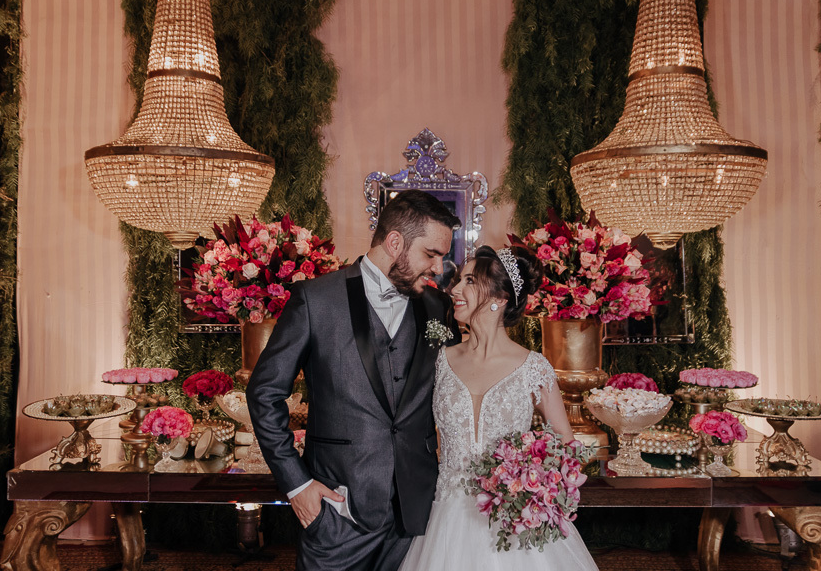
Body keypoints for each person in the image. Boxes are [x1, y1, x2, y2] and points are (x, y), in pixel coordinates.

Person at [247, 190, 461, 571]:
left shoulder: (437, 308)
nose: (439, 267)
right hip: (336, 513)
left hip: (418, 516)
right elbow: (265, 392)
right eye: (431, 254)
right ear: (395, 242)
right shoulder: (316, 299)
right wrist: (298, 485)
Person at [399, 245, 599, 571]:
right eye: (459, 280)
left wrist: (533, 488)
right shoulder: (440, 361)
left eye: (470, 281)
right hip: (445, 521)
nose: (455, 289)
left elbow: (568, 447)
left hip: (514, 523)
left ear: (500, 298)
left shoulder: (535, 368)